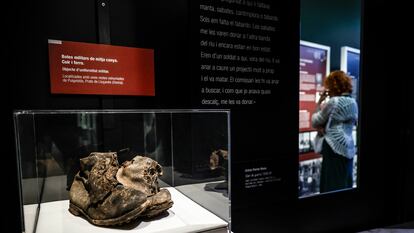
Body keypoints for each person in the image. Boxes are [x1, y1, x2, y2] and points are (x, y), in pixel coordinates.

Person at [312, 70, 358, 193]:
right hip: (348, 147)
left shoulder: (334, 102)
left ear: (333, 86)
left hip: (333, 147)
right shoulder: (353, 102)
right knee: (344, 181)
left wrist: (319, 103)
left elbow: (316, 121)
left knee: (331, 183)